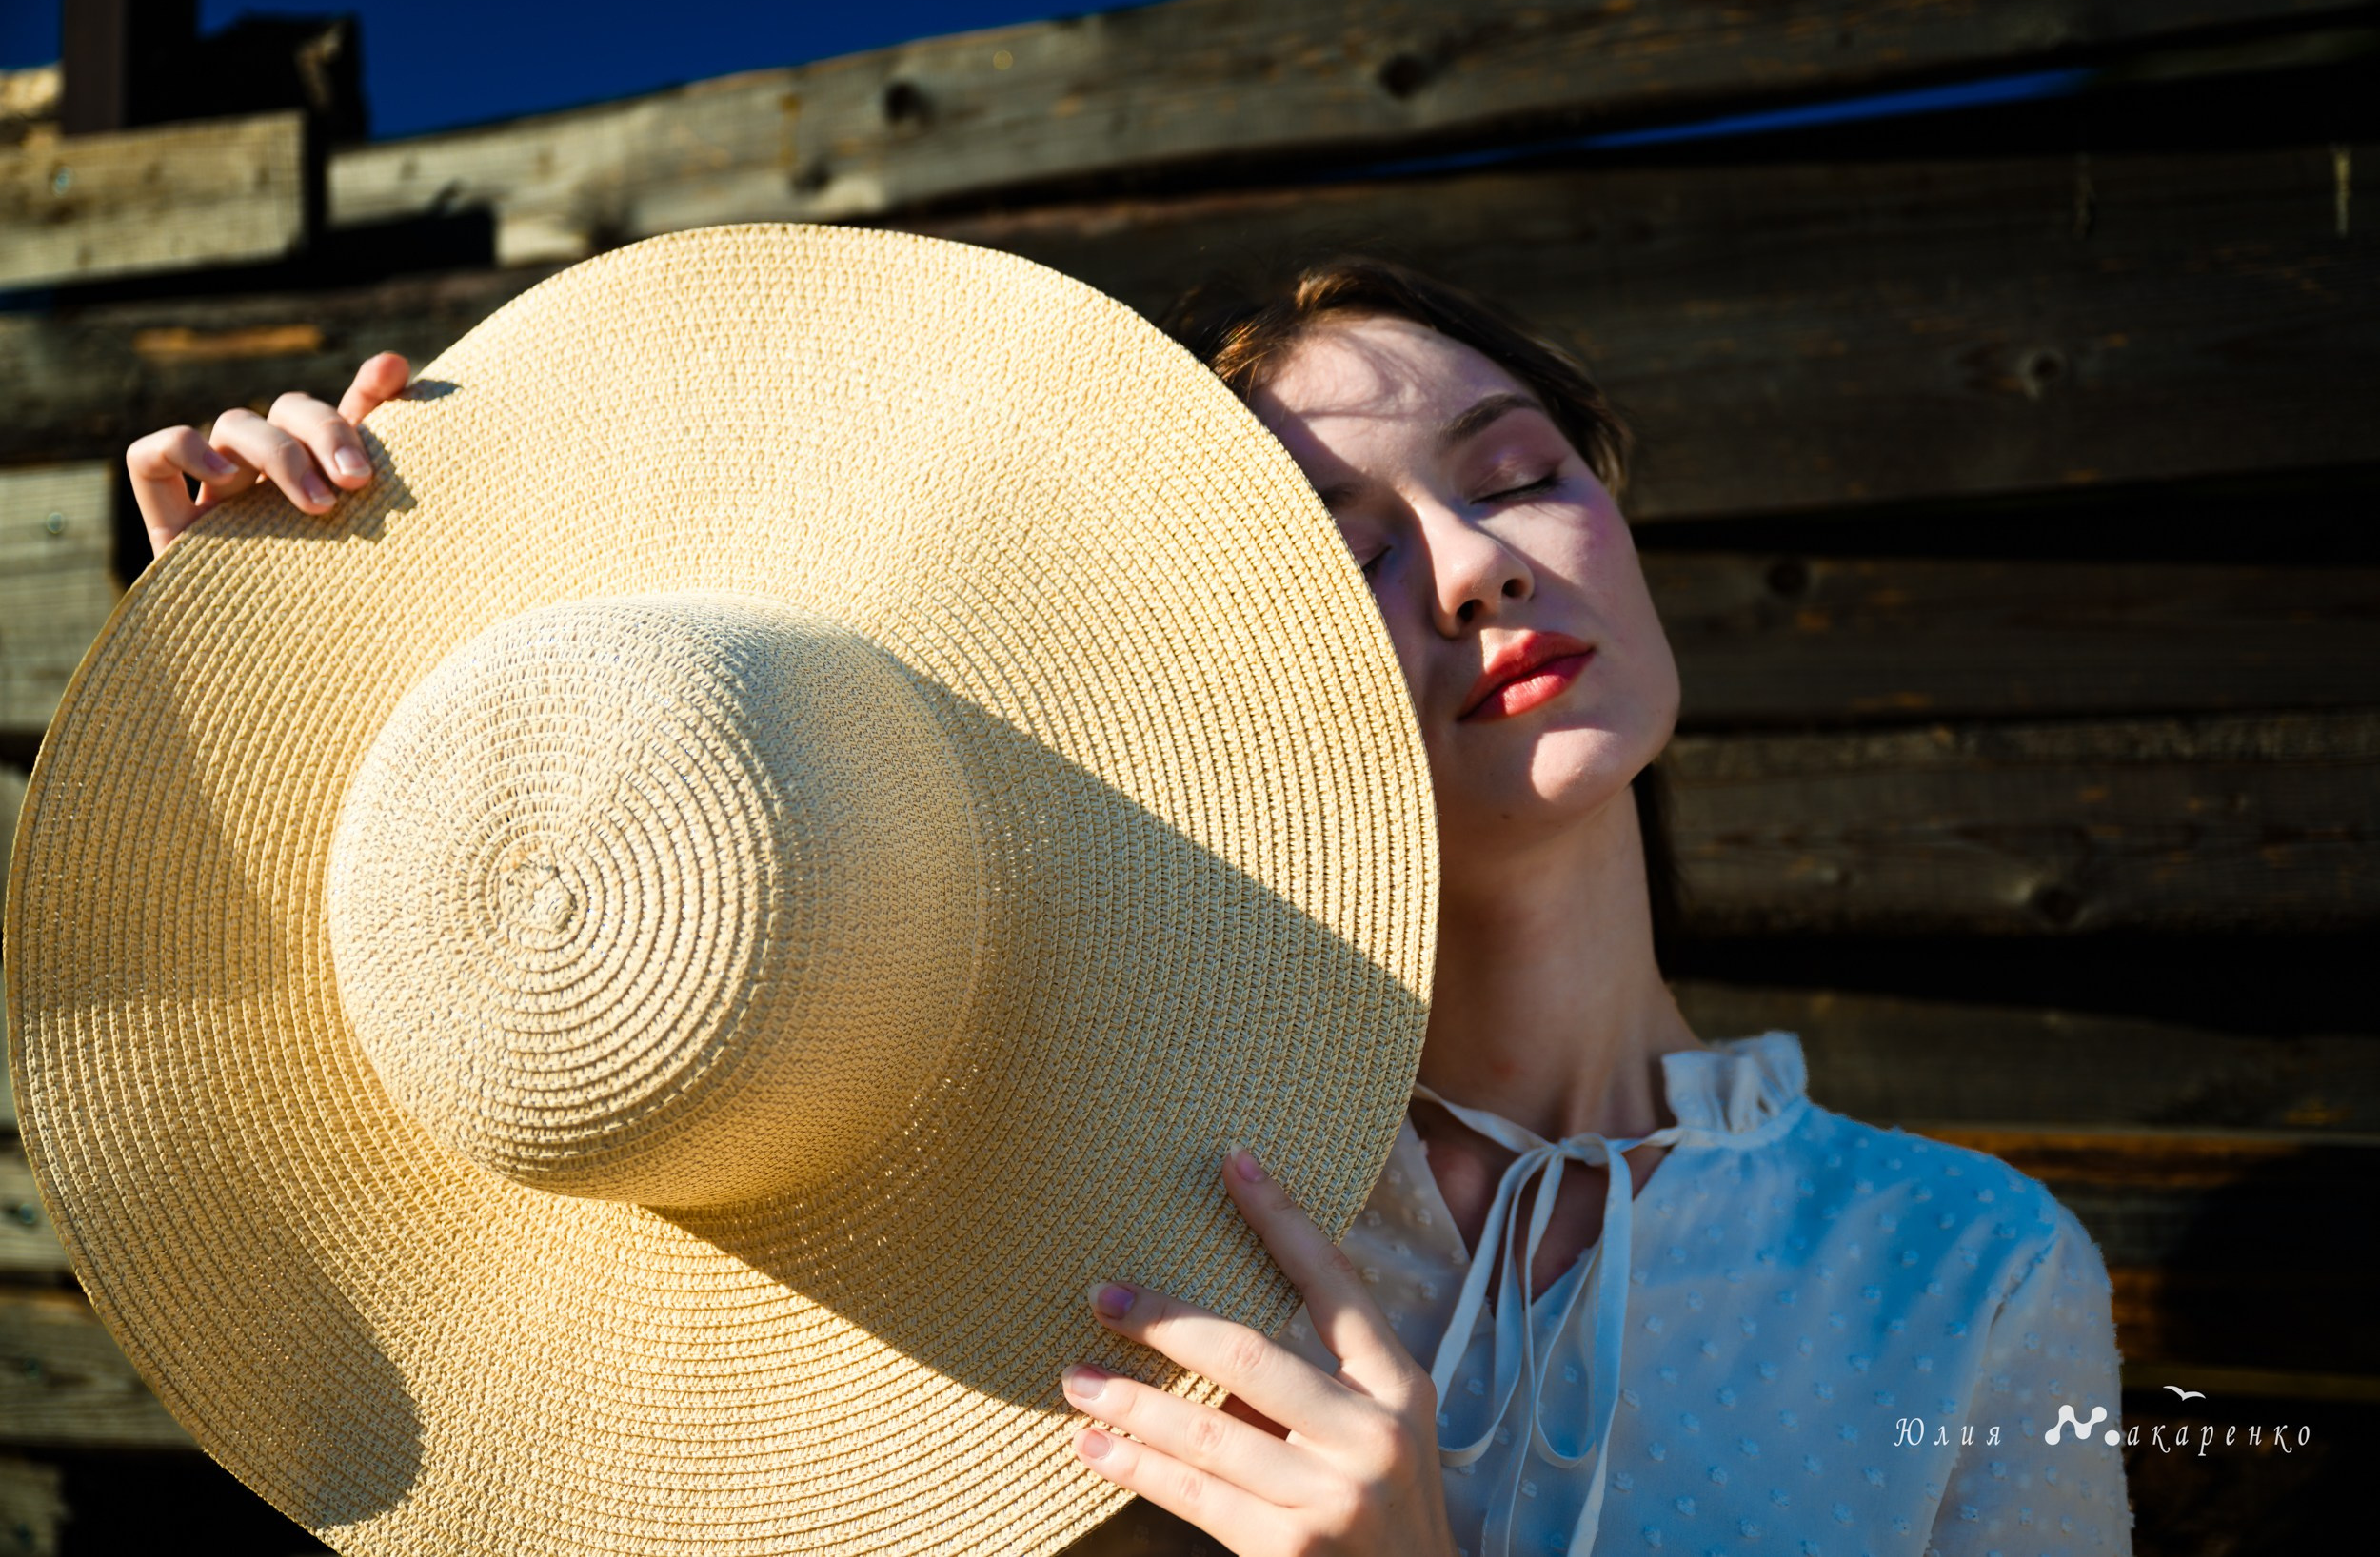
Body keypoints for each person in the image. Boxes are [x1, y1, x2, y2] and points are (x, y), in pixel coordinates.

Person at [123, 253, 2133, 1557]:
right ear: (1237, 666)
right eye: (1341, 548)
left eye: (1512, 472)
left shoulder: (1952, 1274)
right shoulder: (1049, 1267)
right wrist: (296, 667)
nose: (1468, 568)